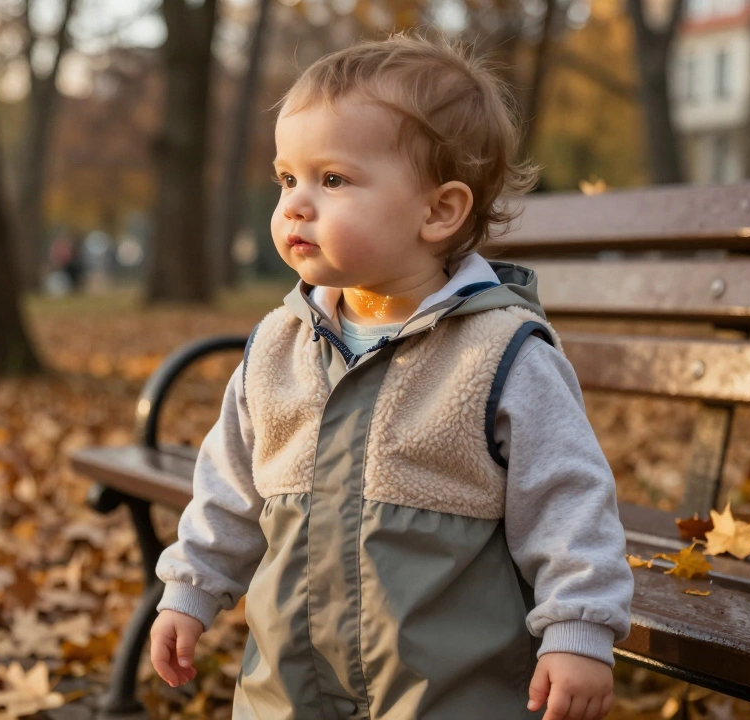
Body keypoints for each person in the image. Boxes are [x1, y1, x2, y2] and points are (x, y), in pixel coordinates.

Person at [149, 32, 632, 720]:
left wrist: (578, 628)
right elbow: (228, 486)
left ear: (439, 211)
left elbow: (568, 502)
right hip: (289, 690)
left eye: (333, 180)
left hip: (447, 694)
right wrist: (191, 590)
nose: (295, 204)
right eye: (288, 178)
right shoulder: (279, 346)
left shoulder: (499, 355)